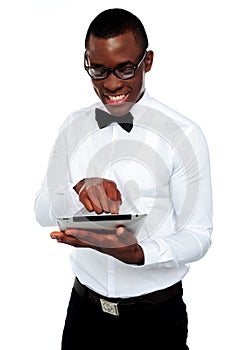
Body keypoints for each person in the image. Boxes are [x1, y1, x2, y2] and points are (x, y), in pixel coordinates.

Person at [34, 8, 213, 350]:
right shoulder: (73, 128)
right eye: (98, 70)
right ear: (87, 62)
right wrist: (77, 190)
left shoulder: (184, 135)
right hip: (83, 315)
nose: (112, 84)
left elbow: (199, 236)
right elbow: (41, 210)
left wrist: (140, 253)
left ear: (147, 62)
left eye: (125, 69)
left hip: (155, 321)